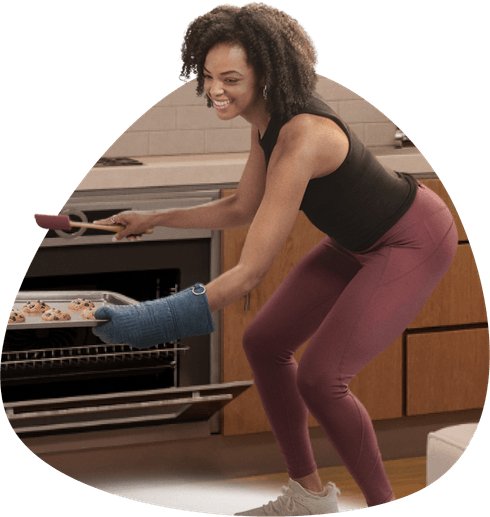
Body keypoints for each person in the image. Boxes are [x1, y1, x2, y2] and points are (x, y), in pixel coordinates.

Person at [93, 3, 458, 515]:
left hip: (411, 239)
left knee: (320, 378)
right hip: (354, 242)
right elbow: (244, 205)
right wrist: (155, 217)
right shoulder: (263, 119)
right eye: (208, 76)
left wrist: (149, 320)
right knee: (264, 342)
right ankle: (309, 496)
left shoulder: (301, 135)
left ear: (265, 73)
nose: (215, 90)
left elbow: (250, 273)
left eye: (231, 78)